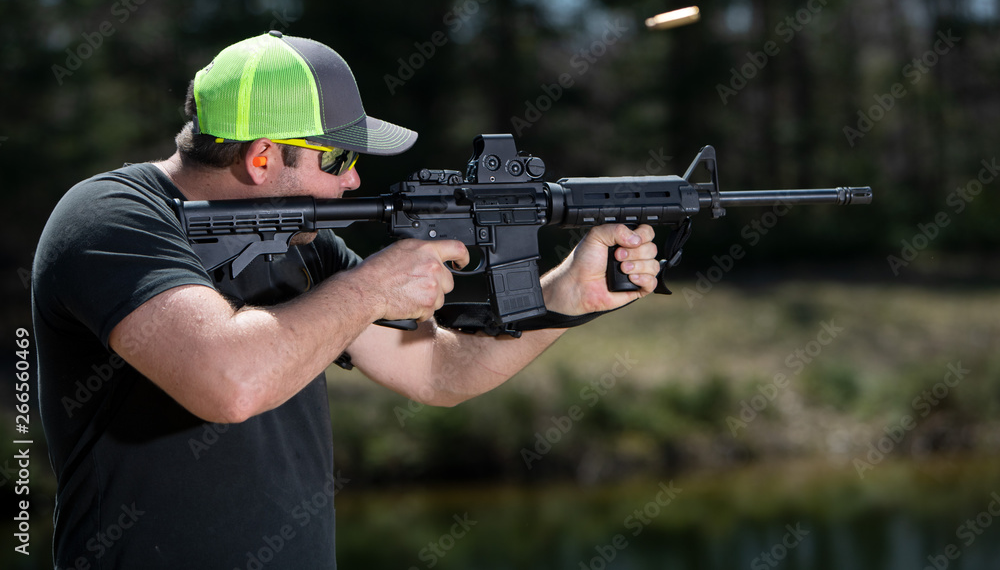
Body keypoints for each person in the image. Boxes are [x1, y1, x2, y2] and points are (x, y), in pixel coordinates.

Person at [31, 31, 659, 569]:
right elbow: (229, 383)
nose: (354, 180)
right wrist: (374, 286)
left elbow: (438, 371)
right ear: (262, 157)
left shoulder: (306, 245)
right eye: (338, 158)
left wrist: (568, 295)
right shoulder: (109, 218)